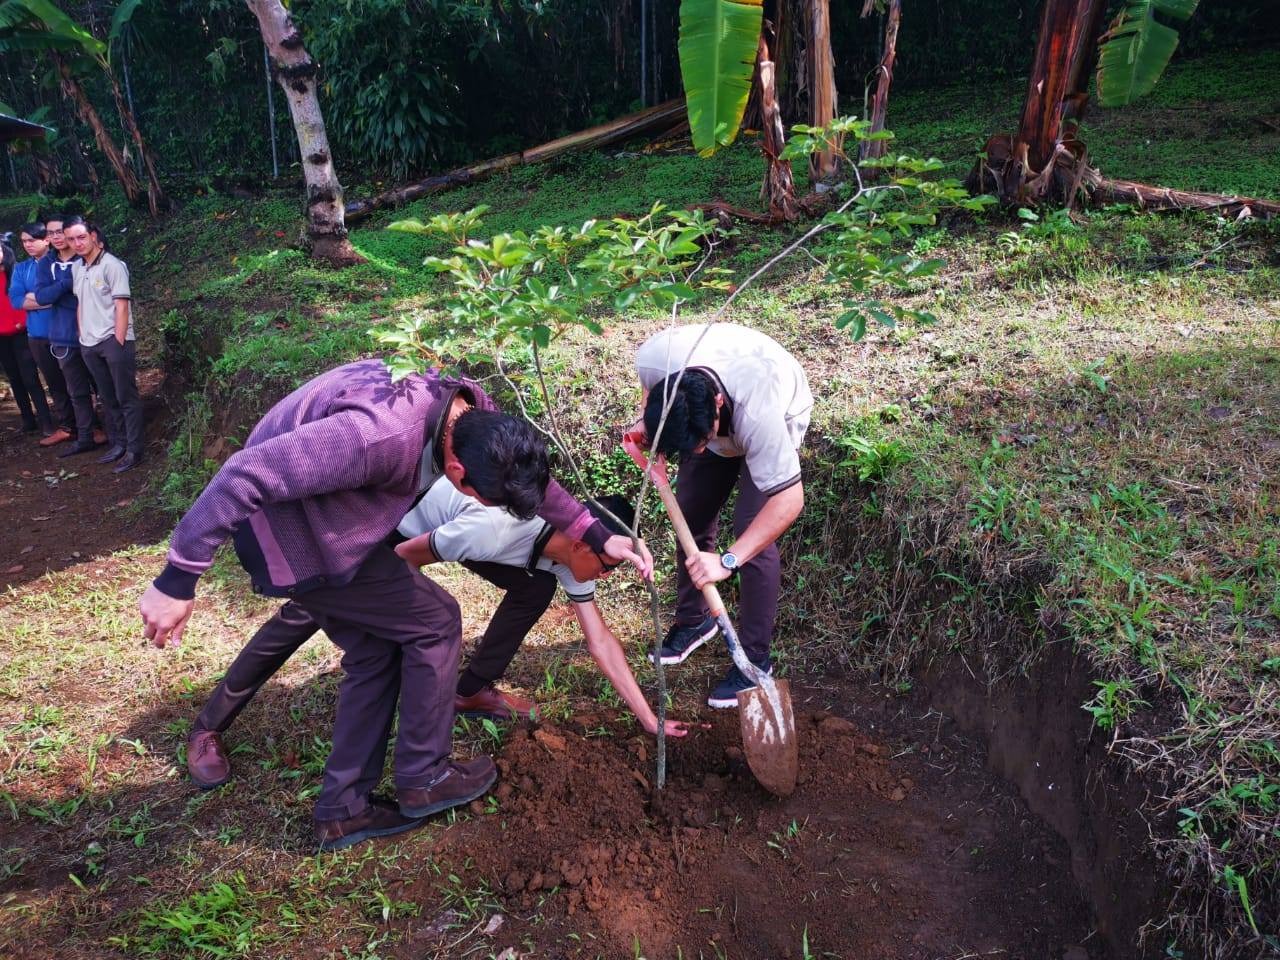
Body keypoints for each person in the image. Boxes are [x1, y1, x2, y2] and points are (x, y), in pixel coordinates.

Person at [140, 358, 652, 851]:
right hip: (293, 534)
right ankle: (425, 775)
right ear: (456, 470)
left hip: (343, 527)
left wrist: (595, 532)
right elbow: (243, 474)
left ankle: (344, 812)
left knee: (376, 650)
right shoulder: (376, 438)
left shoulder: (475, 413)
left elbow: (536, 487)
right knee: (434, 620)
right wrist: (177, 580)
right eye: (489, 501)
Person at [185, 484, 688, 792]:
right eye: (606, 565)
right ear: (583, 542)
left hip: (458, 534)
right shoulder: (493, 527)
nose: (604, 575)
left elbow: (599, 640)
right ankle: (208, 727)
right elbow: (405, 558)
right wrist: (386, 611)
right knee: (306, 611)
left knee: (534, 589)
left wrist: (648, 718)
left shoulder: (577, 559)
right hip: (394, 530)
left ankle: (470, 690)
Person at [631, 322, 811, 709]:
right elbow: (650, 398)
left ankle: (754, 661)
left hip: (779, 408)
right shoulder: (654, 359)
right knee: (692, 512)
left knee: (754, 534)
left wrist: (728, 561)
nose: (696, 452)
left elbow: (789, 502)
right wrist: (646, 429)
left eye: (702, 442)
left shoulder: (759, 413)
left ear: (715, 405)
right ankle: (696, 621)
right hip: (715, 408)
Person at [62, 220, 144, 472]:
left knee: (125, 396)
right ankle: (118, 443)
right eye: (71, 239)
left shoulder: (113, 265)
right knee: (106, 397)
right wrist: (81, 335)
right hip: (89, 343)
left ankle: (134, 449)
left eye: (81, 237)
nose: (77, 243)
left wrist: (118, 341)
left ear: (93, 236)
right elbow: (80, 304)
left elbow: (121, 305)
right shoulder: (77, 268)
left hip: (112, 340)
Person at [33, 214, 100, 458]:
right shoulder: (45, 264)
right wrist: (65, 283)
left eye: (60, 232)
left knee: (104, 386)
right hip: (63, 336)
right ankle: (85, 436)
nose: (56, 237)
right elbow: (41, 297)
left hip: (93, 332)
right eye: (51, 234)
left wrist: (58, 289)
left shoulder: (87, 259)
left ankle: (113, 434)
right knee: (77, 390)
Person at [7, 222, 77, 446]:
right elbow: (17, 300)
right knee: (54, 382)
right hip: (36, 334)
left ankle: (91, 425)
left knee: (76, 380)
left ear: (46, 239)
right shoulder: (21, 269)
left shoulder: (59, 263)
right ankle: (67, 426)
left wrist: (36, 298)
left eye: (31, 240)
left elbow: (70, 295)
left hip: (65, 331)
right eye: (24, 241)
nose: (27, 245)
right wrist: (49, 298)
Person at [0, 234, 54, 436]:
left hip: (22, 332)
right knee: (14, 377)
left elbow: (27, 298)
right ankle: (27, 420)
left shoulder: (18, 272)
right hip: (1, 336)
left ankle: (46, 421)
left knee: (30, 376)